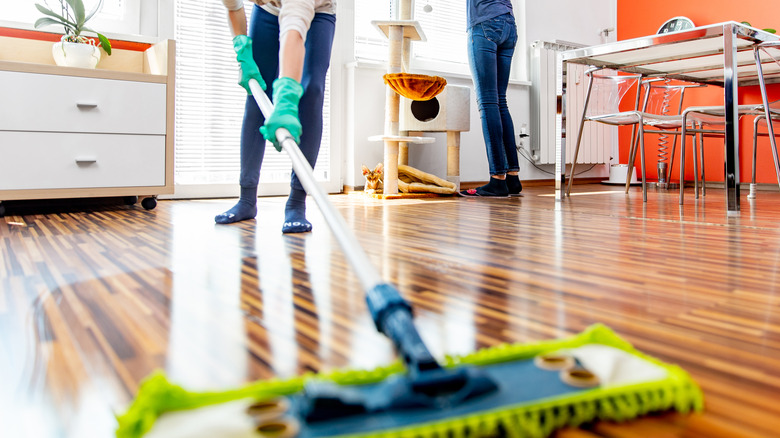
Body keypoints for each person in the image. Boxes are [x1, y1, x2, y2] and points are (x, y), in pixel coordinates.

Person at [216, 0, 336, 233]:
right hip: (268, 14)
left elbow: (294, 32)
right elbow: (233, 7)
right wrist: (241, 48)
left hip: (318, 11)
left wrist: (287, 100)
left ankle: (296, 202)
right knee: (257, 95)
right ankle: (247, 199)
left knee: (312, 92)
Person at [460, 0, 522, 197]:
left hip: (485, 22)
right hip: (509, 24)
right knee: (500, 101)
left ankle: (497, 180)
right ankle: (512, 177)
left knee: (488, 102)